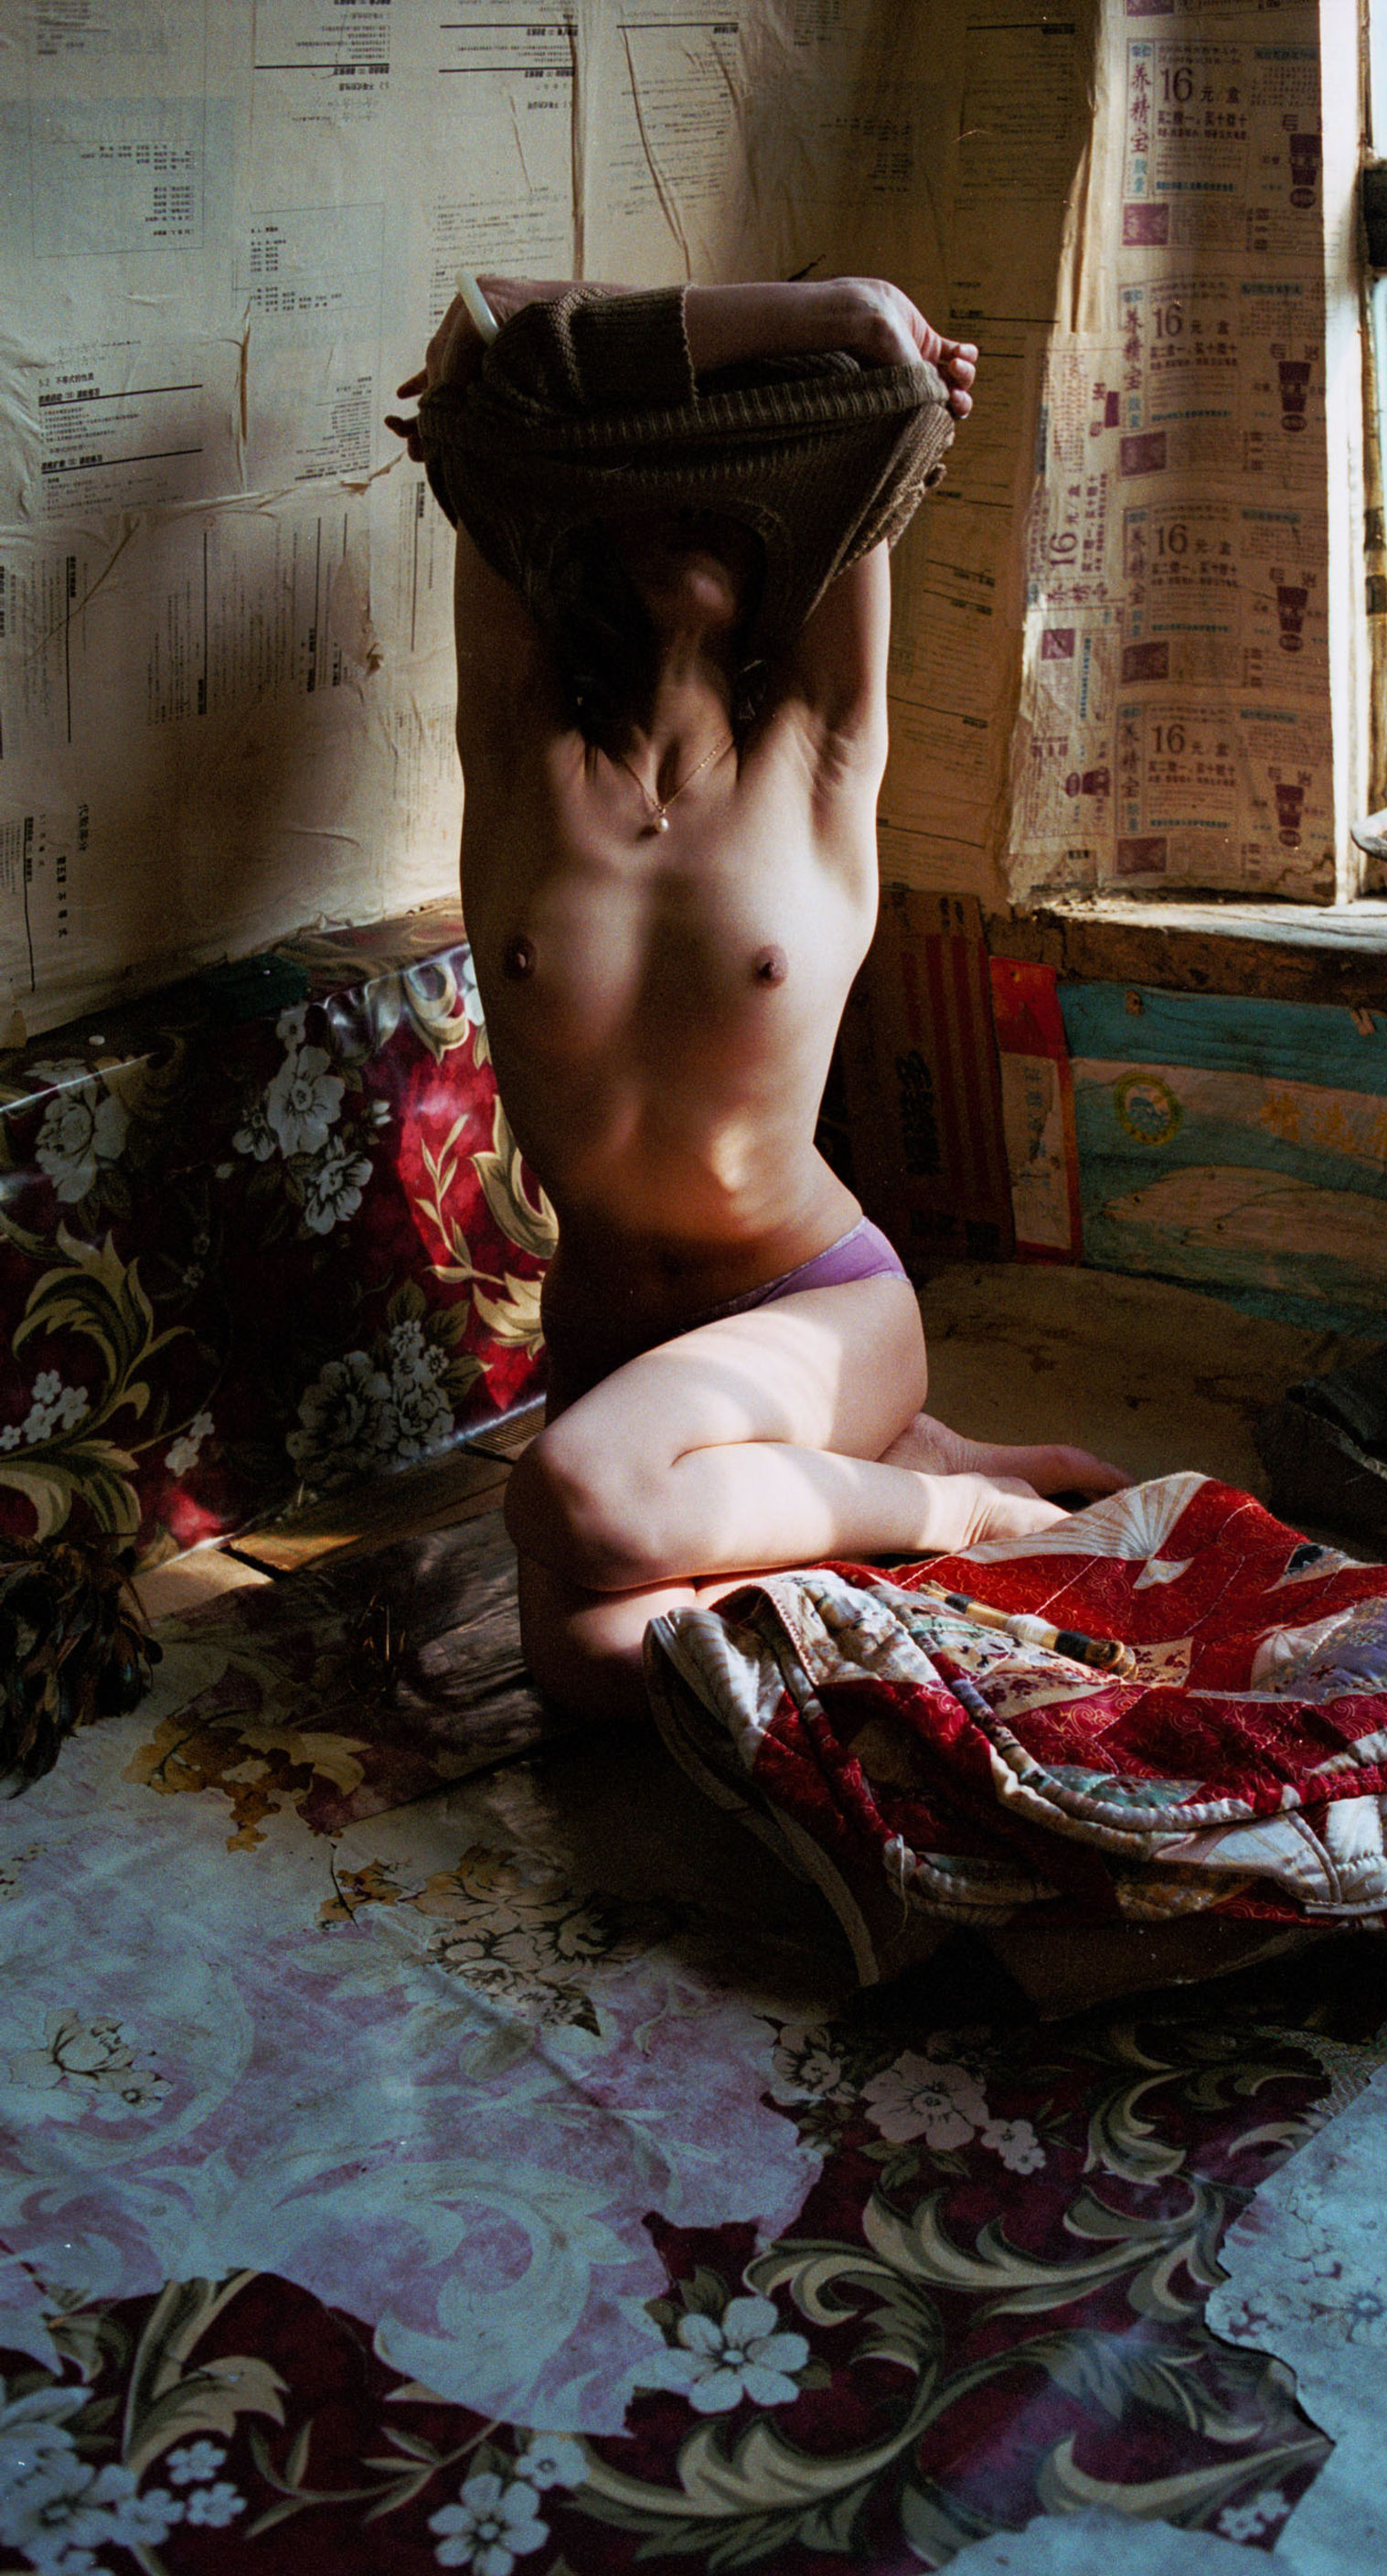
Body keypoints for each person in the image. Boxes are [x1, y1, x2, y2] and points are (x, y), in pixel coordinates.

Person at [388, 274, 1127, 1719]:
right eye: (657, 490)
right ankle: (883, 1475)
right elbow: (479, 331)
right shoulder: (518, 743)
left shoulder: (825, 749)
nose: (689, 515)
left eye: (727, 496)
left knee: (576, 1498)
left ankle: (943, 1503)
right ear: (592, 530)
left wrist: (857, 323)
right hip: (616, 1342)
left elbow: (869, 421)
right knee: (599, 1670)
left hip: (813, 1303)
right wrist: (833, 306)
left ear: (783, 540)